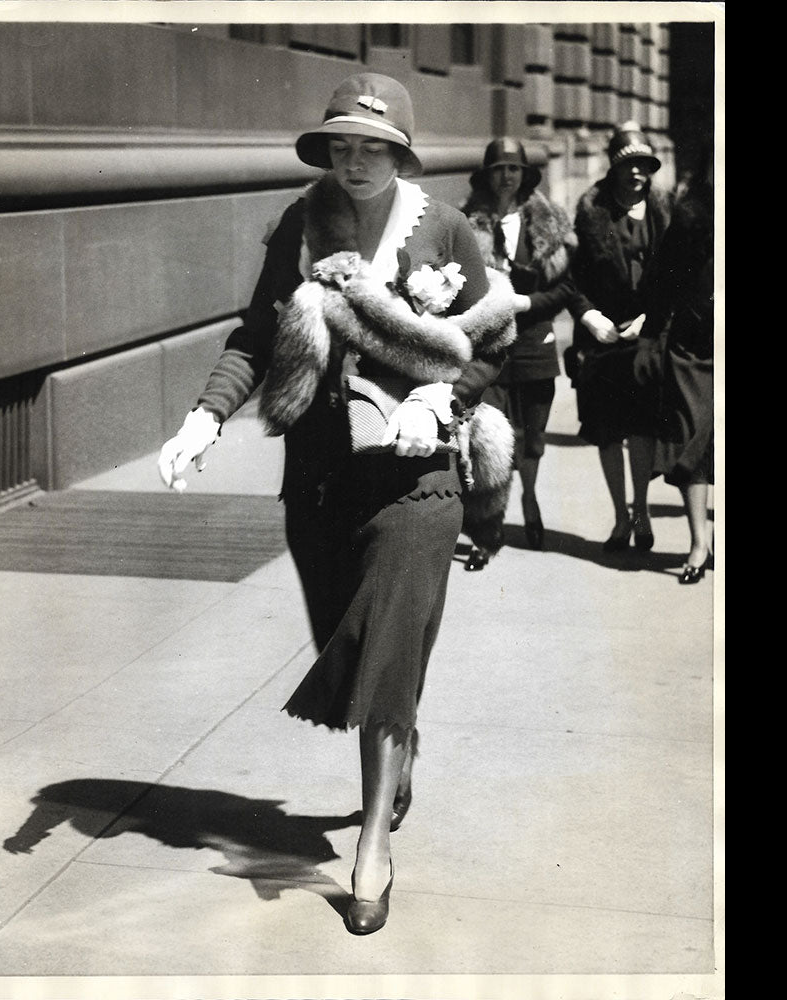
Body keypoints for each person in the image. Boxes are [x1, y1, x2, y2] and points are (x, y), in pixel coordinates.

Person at [156, 73, 516, 935]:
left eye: (372, 146)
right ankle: (398, 750)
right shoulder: (299, 225)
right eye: (341, 144)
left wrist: (447, 398)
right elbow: (255, 334)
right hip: (320, 478)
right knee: (360, 662)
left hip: (417, 479)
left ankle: (370, 850)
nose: (354, 160)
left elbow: (494, 336)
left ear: (400, 153)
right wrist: (203, 417)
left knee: (387, 639)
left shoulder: (448, 229)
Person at [460, 137, 579, 570]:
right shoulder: (466, 223)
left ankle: (528, 498)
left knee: (531, 440)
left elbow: (567, 288)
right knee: (489, 442)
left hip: (534, 346)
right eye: (499, 169)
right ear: (487, 175)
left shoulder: (549, 223)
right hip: (488, 349)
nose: (506, 176)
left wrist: (526, 304)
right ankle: (486, 532)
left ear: (525, 176)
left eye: (514, 169)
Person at [568, 122, 671, 552]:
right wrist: (590, 317)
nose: (635, 174)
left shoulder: (664, 213)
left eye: (643, 166)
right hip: (601, 339)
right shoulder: (591, 212)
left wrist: (651, 316)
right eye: (627, 165)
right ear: (612, 168)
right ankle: (618, 519)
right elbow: (570, 277)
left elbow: (675, 277)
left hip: (645, 338)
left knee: (643, 429)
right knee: (608, 432)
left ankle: (642, 513)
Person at [634, 144, 715, 583]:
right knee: (692, 436)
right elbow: (661, 282)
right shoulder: (690, 216)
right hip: (693, 346)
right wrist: (650, 341)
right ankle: (699, 542)